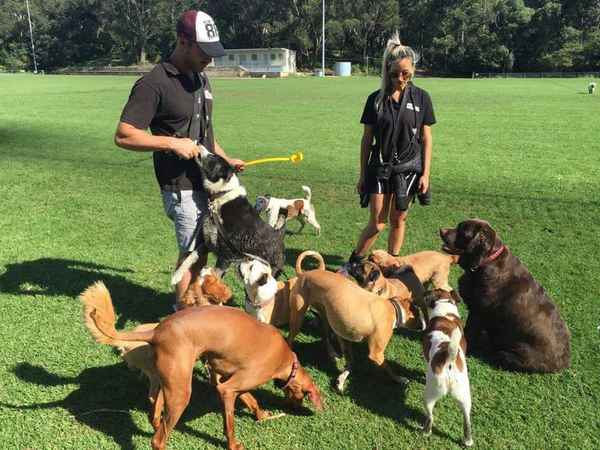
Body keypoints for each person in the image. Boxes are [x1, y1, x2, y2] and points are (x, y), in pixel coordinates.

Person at [114, 10, 245, 307]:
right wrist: (171, 143)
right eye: (204, 51)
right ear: (183, 41)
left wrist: (225, 159)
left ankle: (191, 309)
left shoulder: (202, 79)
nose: (210, 59)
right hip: (180, 185)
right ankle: (182, 316)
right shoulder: (153, 84)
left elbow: (206, 134)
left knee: (201, 250)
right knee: (192, 253)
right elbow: (124, 134)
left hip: (208, 182)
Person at [342, 33, 436, 271]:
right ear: (387, 71)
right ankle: (354, 262)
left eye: (405, 73)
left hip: (409, 169)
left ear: (413, 68)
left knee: (399, 219)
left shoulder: (422, 98)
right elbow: (366, 139)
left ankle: (392, 264)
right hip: (380, 168)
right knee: (377, 223)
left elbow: (426, 138)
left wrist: (426, 174)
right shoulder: (376, 100)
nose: (400, 79)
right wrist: (363, 175)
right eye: (394, 74)